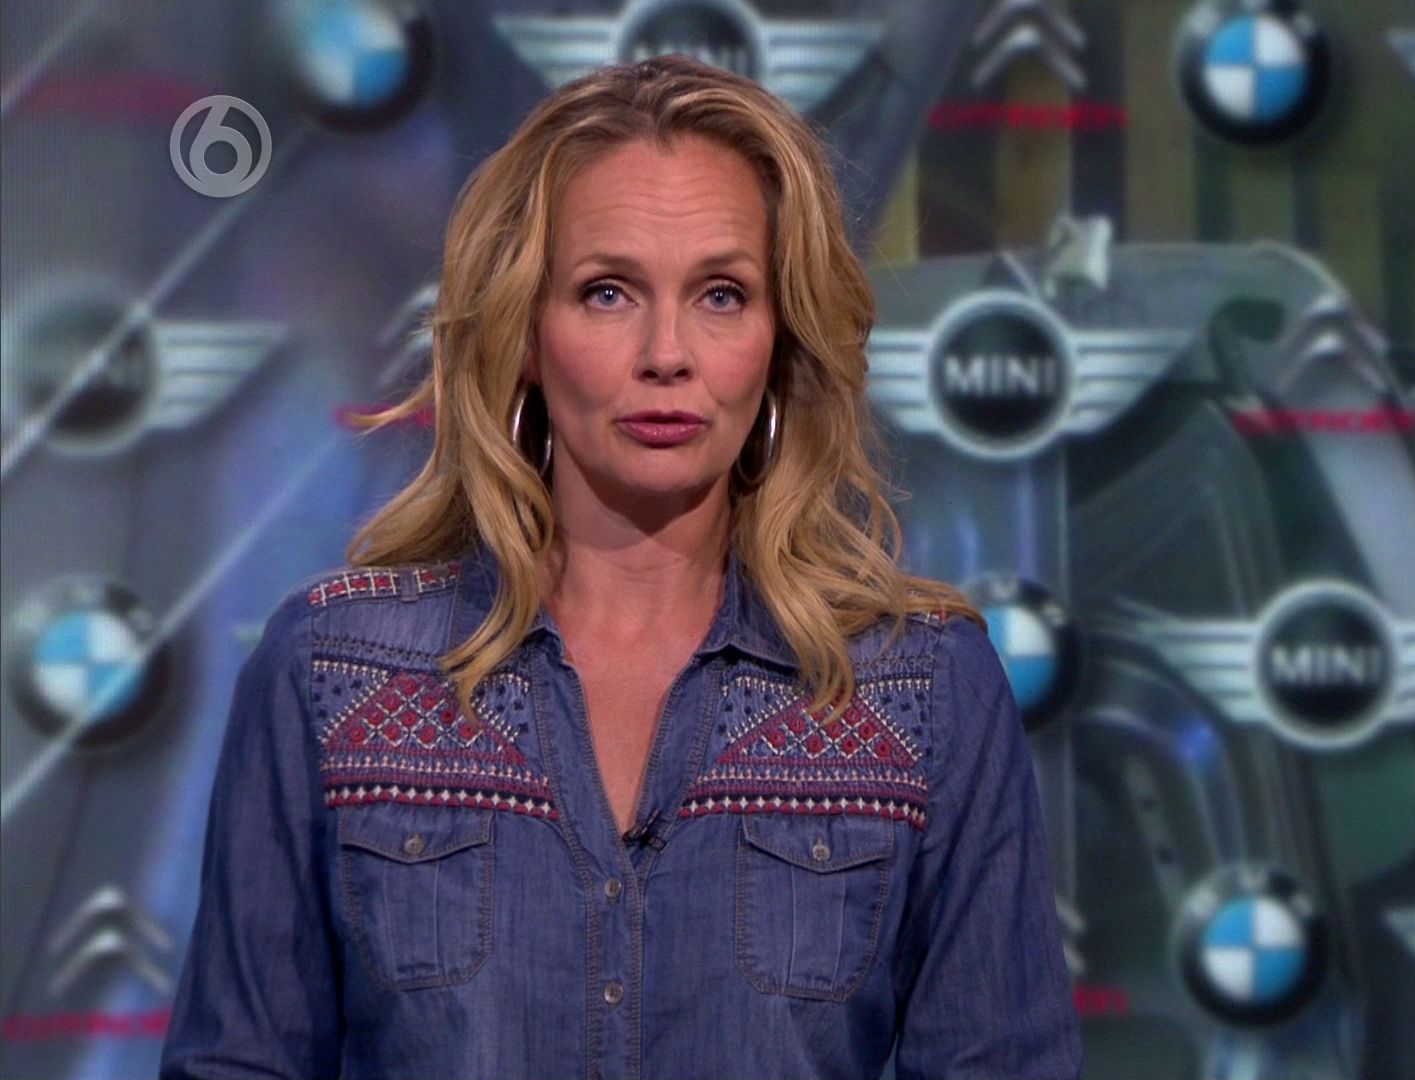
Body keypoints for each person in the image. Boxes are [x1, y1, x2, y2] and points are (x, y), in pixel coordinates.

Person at [159, 55, 1083, 1080]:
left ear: (780, 339)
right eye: (607, 292)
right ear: (523, 332)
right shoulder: (333, 673)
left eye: (722, 294)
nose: (666, 353)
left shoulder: (920, 691)